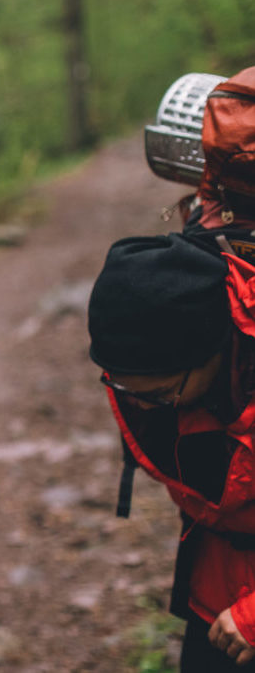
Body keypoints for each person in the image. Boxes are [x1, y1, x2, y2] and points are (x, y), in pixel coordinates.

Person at [88, 232, 255, 670]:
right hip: (214, 589)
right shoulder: (149, 348)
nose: (142, 405)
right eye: (123, 387)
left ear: (212, 351)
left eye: (160, 394)